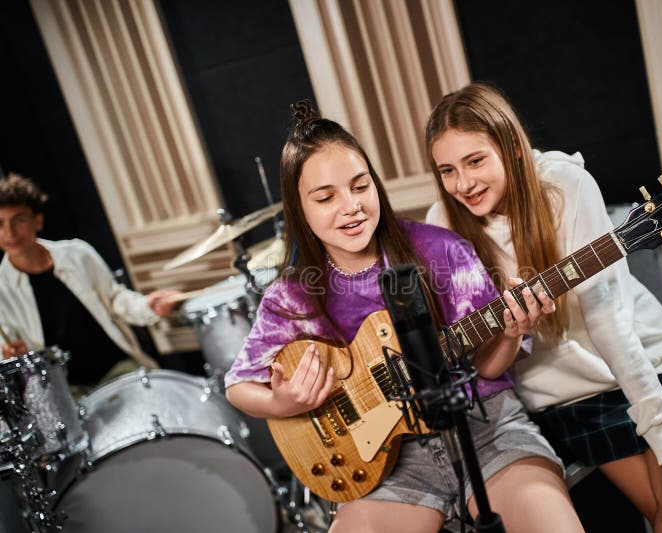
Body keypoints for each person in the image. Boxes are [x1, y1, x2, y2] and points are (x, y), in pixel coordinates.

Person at [225, 101, 584, 533]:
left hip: (485, 426)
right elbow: (238, 385)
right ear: (299, 208)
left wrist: (510, 333)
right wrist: (279, 402)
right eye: (326, 197)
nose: (351, 206)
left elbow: (488, 367)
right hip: (386, 464)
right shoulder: (293, 294)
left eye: (361, 186)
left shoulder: (442, 250)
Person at [423, 82, 662, 532]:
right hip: (563, 398)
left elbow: (609, 320)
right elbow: (485, 364)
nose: (463, 183)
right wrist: (513, 333)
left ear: (511, 147)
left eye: (475, 161)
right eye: (447, 170)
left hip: (646, 364)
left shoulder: (564, 185)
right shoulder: (443, 225)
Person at [0, 173, 180, 389]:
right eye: (0, 224)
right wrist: (13, 358)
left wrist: (148, 306)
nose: (9, 232)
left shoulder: (78, 254)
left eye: (18, 220)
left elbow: (116, 298)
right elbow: (9, 351)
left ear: (37, 220)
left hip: (117, 369)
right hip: (65, 390)